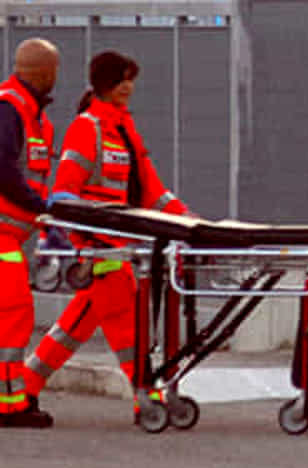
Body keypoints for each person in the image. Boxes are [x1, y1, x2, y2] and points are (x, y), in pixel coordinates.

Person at [23, 50, 191, 421]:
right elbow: (65, 193)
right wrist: (85, 243)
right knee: (126, 322)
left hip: (119, 245)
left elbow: (151, 190)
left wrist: (189, 221)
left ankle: (27, 384)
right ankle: (144, 395)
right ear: (104, 84)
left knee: (75, 325)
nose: (128, 87)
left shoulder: (124, 129)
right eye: (121, 80)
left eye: (131, 79)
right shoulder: (88, 128)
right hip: (100, 247)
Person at [0, 38, 59, 428]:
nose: (56, 77)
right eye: (53, 69)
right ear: (41, 72)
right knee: (13, 315)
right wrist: (38, 206)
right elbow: (2, 166)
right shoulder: (11, 108)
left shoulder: (34, 116)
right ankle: (8, 405)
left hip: (12, 237)